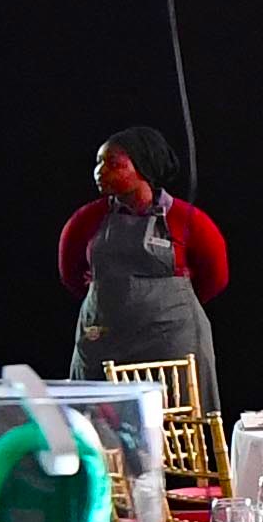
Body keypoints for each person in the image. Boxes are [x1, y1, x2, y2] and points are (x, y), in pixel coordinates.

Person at [61, 125, 226, 416]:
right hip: (105, 341)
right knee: (100, 424)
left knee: (176, 419)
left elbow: (216, 276)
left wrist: (162, 303)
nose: (100, 171)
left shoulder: (187, 220)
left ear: (143, 167)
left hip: (172, 343)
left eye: (113, 164)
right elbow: (70, 273)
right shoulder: (87, 220)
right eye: (98, 162)